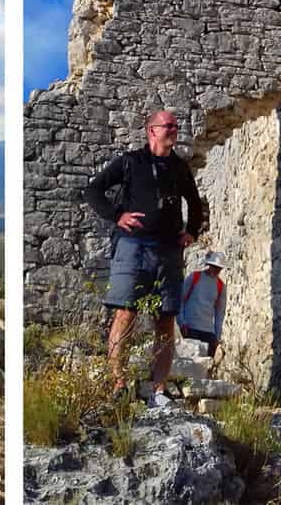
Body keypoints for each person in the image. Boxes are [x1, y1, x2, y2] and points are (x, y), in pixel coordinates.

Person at [85, 109, 208, 408]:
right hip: (133, 246)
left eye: (176, 126)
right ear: (151, 130)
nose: (174, 130)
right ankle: (119, 383)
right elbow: (93, 190)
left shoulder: (180, 168)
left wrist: (191, 231)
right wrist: (117, 216)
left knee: (165, 319)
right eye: (168, 126)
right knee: (125, 313)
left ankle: (159, 389)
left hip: (168, 250)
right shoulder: (131, 162)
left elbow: (194, 202)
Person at [179, 250, 227, 359]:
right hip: (190, 328)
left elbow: (220, 313)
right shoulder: (194, 277)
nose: (217, 270)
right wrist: (182, 322)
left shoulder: (220, 286)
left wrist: (217, 336)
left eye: (219, 268)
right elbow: (180, 300)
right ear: (209, 265)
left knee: (203, 368)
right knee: (189, 363)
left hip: (208, 332)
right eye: (215, 266)